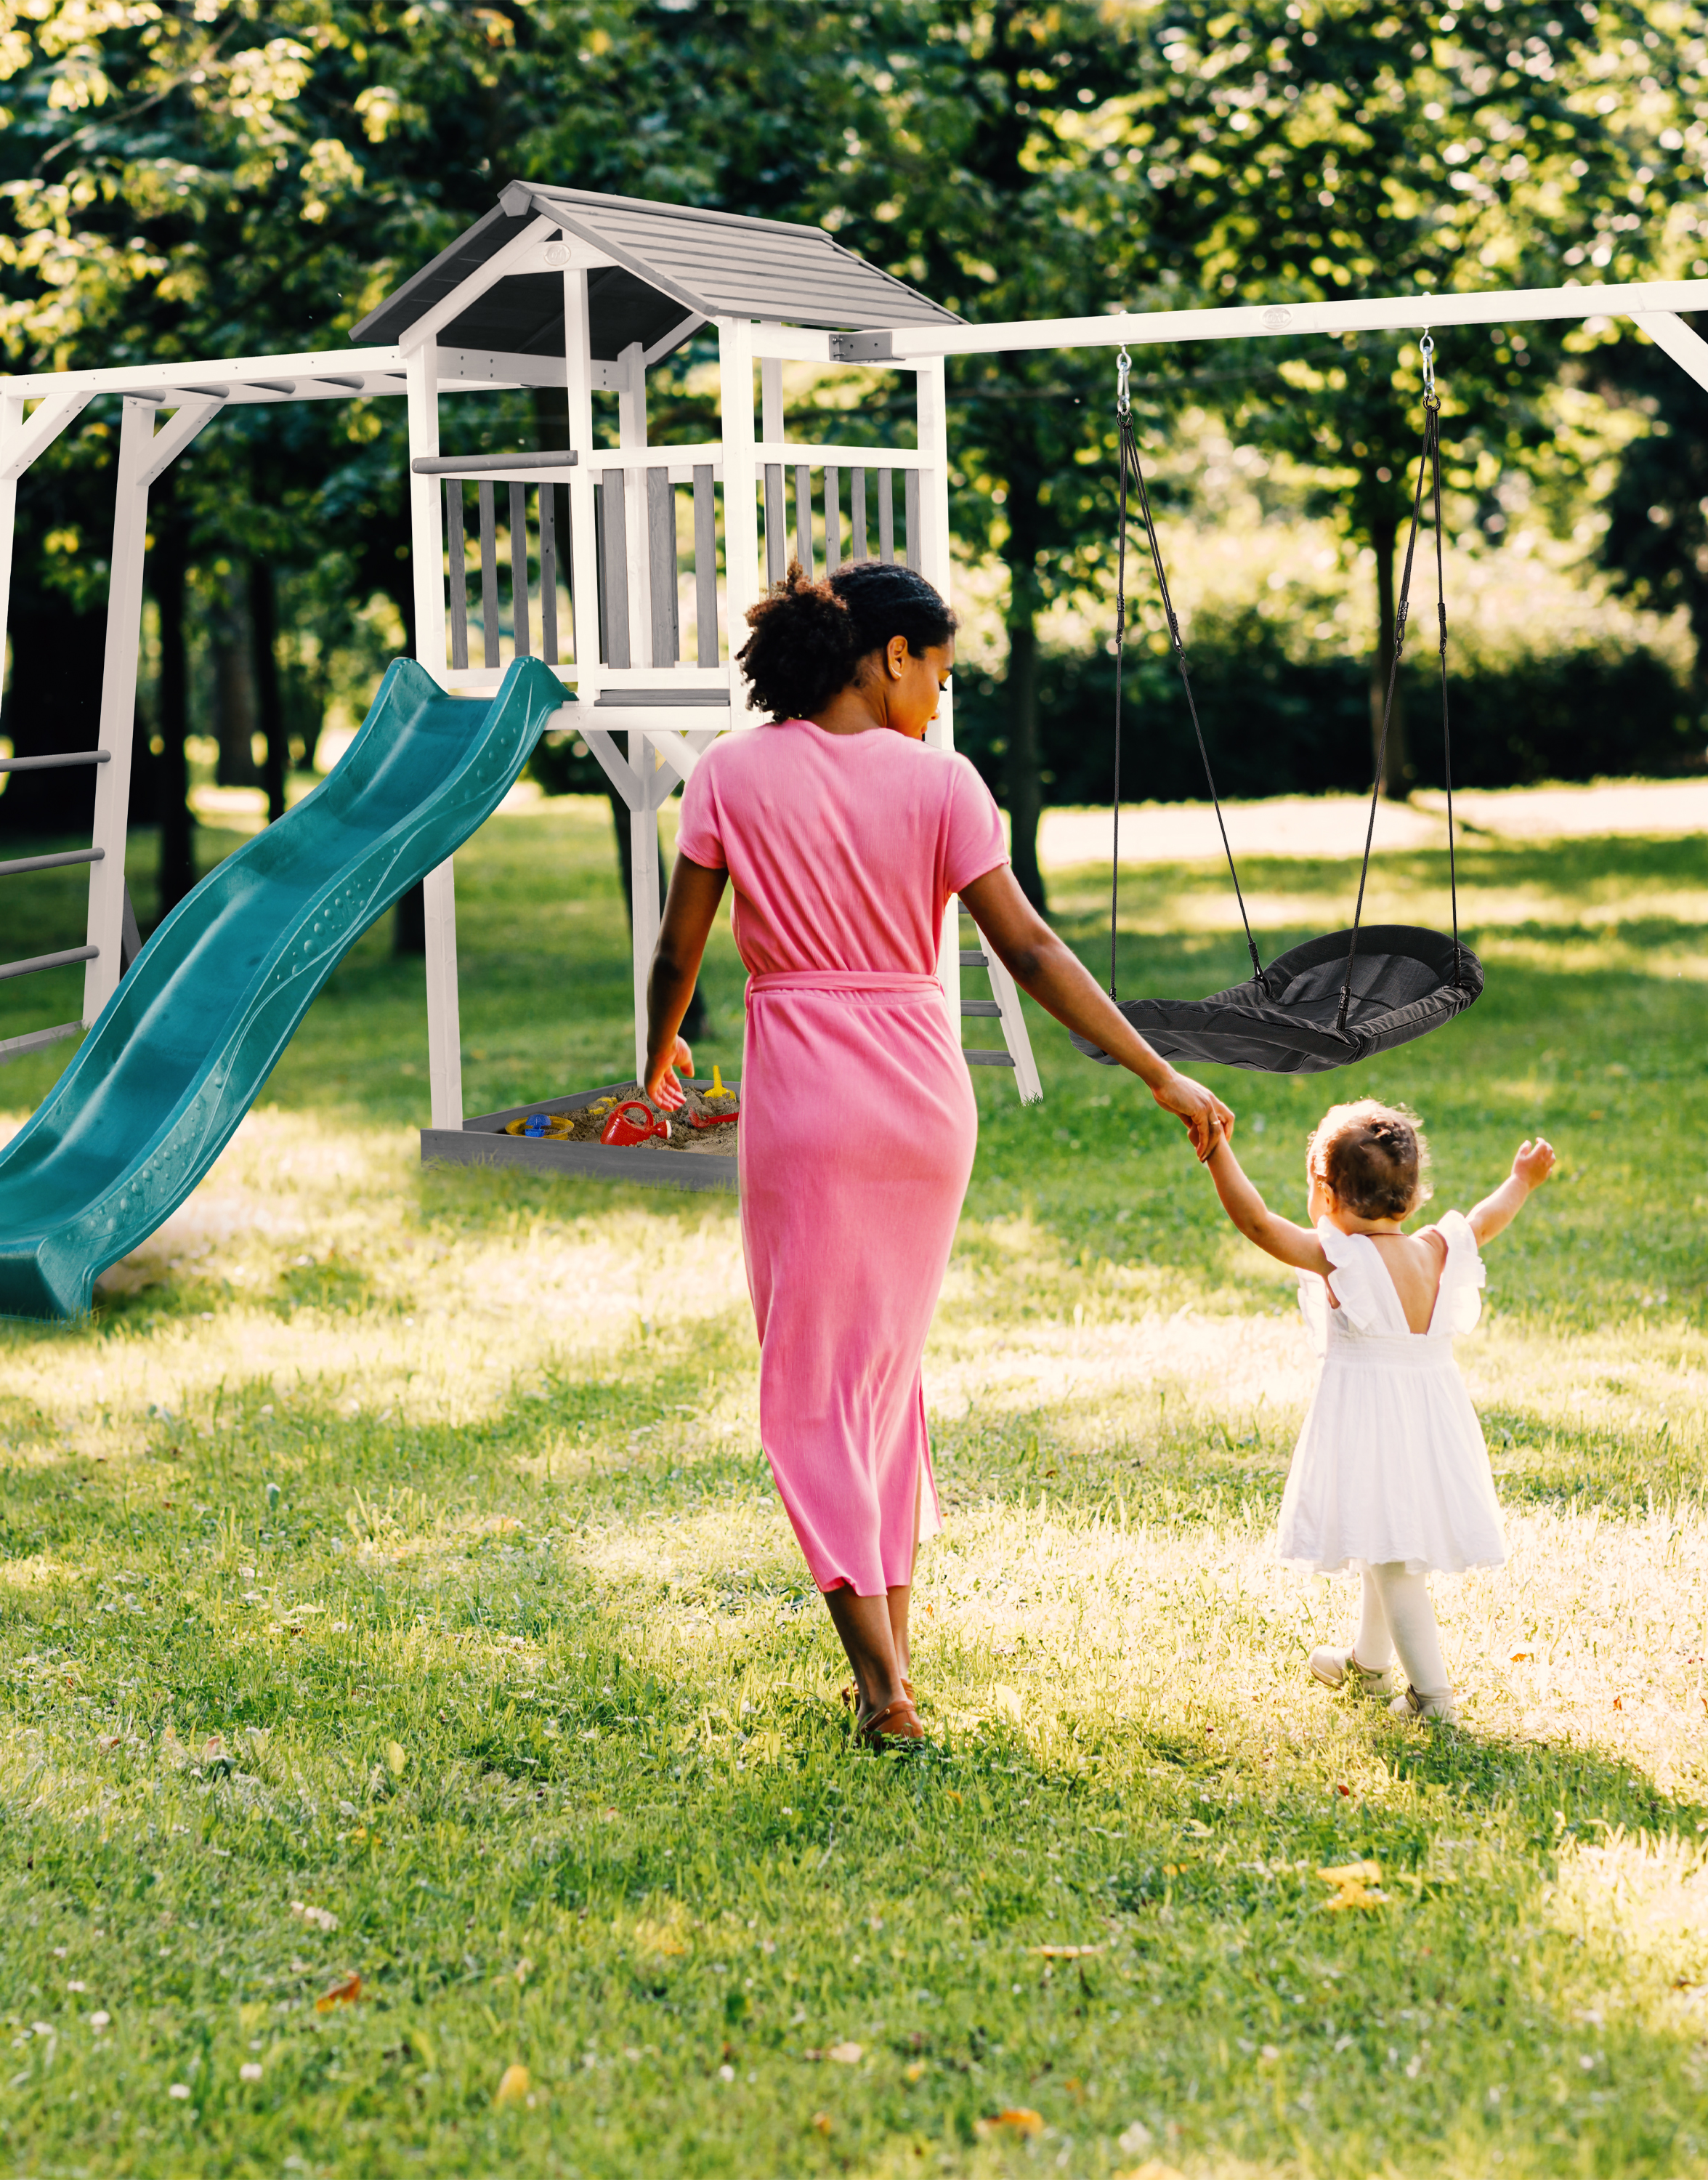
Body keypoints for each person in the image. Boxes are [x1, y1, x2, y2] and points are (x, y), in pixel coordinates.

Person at [641, 561, 1234, 1749]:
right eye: (941, 675)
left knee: (811, 1394)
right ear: (891, 656)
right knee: (881, 1385)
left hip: (807, 1102)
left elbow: (679, 951)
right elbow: (1030, 951)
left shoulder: (729, 774)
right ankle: (894, 1669)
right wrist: (1157, 1068)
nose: (941, 702)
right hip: (923, 1102)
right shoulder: (943, 786)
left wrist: (653, 1060)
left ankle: (882, 1691)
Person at [1199, 1099, 1556, 1724]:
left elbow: (1256, 1223)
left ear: (1326, 1193)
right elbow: (1485, 1218)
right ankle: (1368, 1665)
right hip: (1430, 1422)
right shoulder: (1437, 1249)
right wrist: (1521, 1180)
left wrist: (1216, 1150)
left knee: (1392, 1561)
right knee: (1379, 1537)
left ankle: (1432, 1698)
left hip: (1372, 1425)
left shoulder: (1342, 1259)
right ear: (1413, 1197)